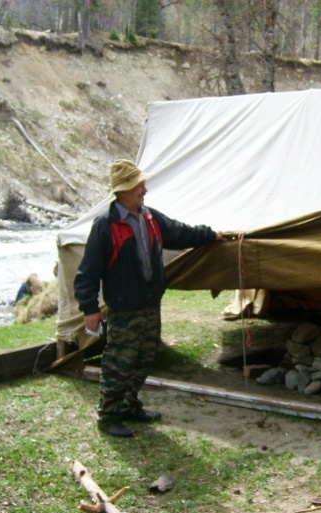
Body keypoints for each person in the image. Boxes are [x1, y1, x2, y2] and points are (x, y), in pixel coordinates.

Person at [74, 159, 226, 438]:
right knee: (119, 363)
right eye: (138, 185)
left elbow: (181, 232)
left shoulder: (150, 217)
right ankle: (108, 416)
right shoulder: (105, 226)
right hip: (125, 310)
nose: (144, 189)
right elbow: (87, 272)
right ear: (123, 191)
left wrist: (210, 235)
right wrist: (89, 309)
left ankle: (129, 405)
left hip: (149, 305)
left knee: (143, 359)